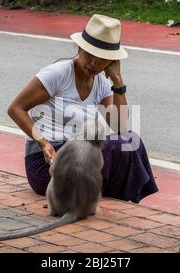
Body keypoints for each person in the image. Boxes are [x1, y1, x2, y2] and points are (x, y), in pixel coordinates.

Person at [8, 14, 158, 203]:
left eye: (102, 59)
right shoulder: (57, 73)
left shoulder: (102, 83)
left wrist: (118, 82)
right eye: (90, 55)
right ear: (79, 48)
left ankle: (123, 202)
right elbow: (15, 108)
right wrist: (43, 143)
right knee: (111, 147)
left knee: (131, 140)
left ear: (111, 61)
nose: (94, 63)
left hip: (79, 158)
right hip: (47, 164)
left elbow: (120, 127)